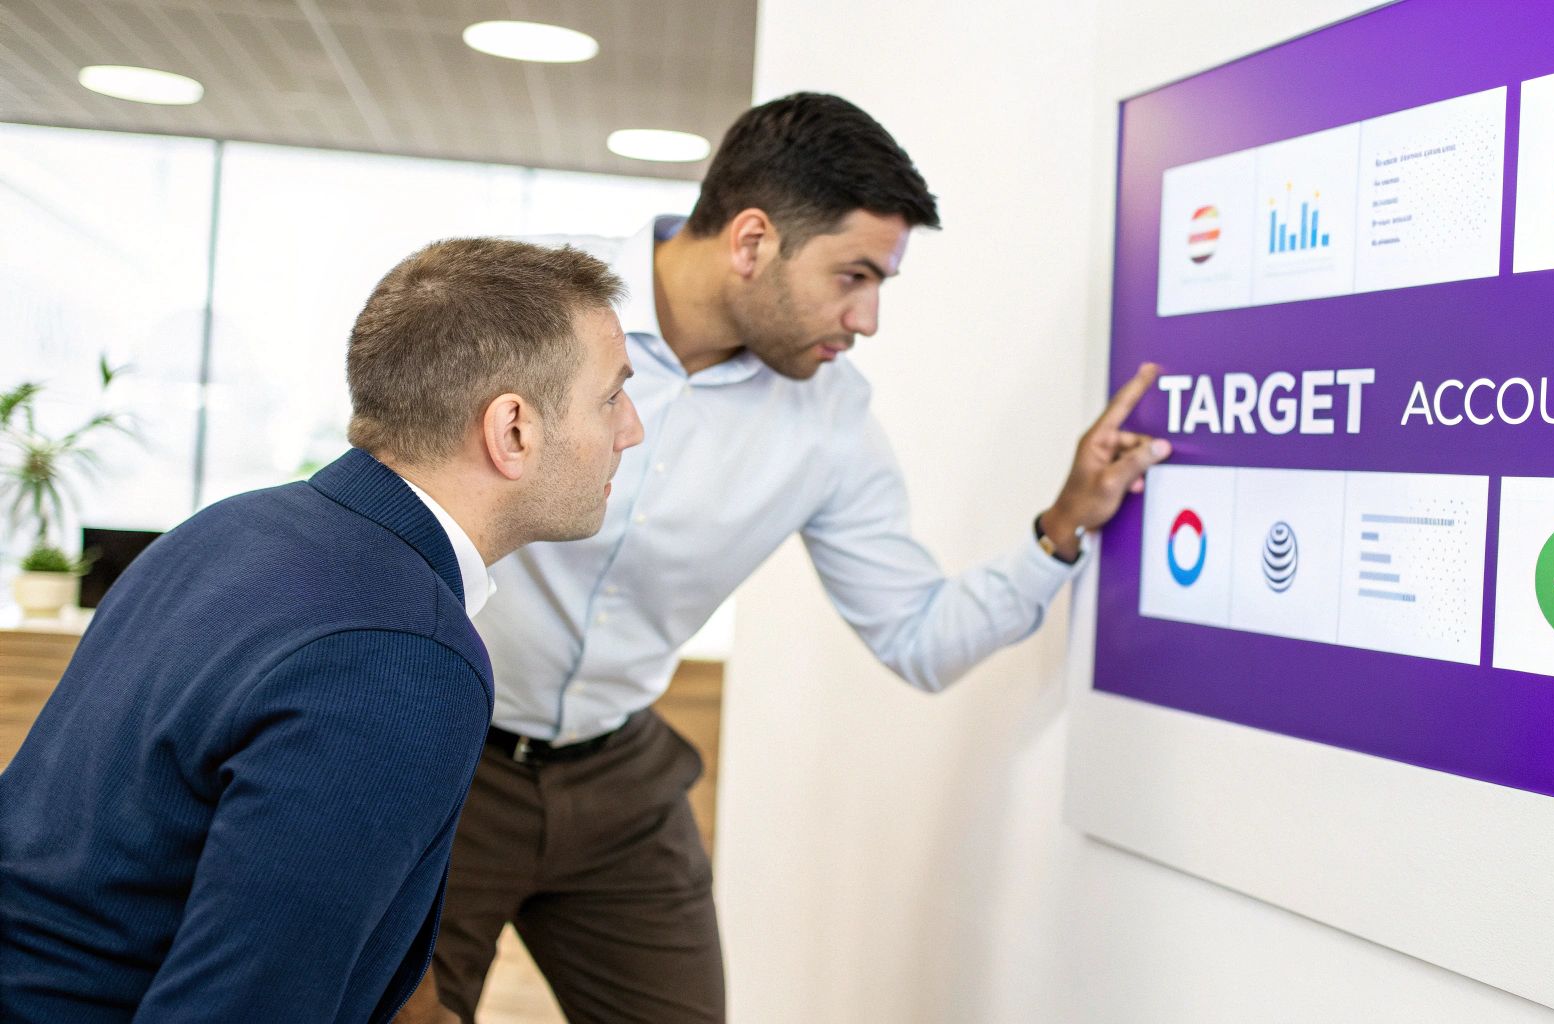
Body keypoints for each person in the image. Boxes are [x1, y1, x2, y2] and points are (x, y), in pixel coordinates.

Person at [416, 93, 1167, 1024]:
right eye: (855, 275)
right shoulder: (525, 306)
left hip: (619, 778)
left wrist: (1063, 526)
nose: (868, 318)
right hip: (448, 758)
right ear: (752, 241)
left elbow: (919, 637)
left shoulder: (831, 421)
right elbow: (391, 516)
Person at [0, 238, 644, 1023]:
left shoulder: (226, 528)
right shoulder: (401, 655)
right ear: (513, 429)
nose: (632, 430)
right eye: (612, 397)